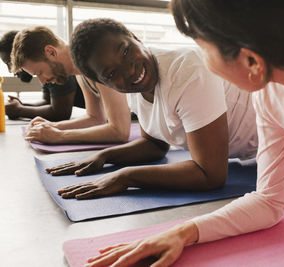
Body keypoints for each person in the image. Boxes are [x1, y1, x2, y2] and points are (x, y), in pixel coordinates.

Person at [82, 1, 284, 266]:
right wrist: (184, 231)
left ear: (250, 60)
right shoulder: (272, 98)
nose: (200, 60)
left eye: (202, 48)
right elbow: (269, 202)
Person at [45, 18, 258, 198]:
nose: (129, 70)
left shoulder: (187, 70)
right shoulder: (134, 88)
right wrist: (105, 156)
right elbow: (154, 144)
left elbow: (210, 174)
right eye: (111, 74)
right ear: (103, 83)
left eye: (126, 51)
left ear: (136, 38)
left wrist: (127, 176)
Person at [10, 26, 131, 144]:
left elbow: (120, 131)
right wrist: (53, 127)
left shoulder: (97, 60)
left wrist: (59, 136)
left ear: (51, 52)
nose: (42, 81)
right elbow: (95, 119)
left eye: (40, 73)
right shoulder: (80, 71)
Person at [0, 30, 85, 121]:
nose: (10, 70)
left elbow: (60, 113)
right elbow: (48, 101)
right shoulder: (47, 69)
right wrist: (22, 105)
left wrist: (19, 110)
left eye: (10, 63)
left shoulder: (58, 69)